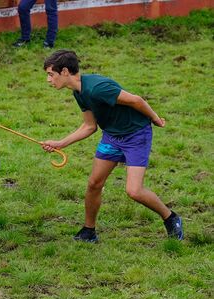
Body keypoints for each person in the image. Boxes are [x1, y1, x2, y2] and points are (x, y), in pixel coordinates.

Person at [41, 50, 183, 242]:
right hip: (112, 137)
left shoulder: (98, 88)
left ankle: (171, 218)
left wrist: (155, 119)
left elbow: (136, 100)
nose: (48, 80)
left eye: (51, 74)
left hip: (135, 135)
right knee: (94, 184)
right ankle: (89, 231)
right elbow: (90, 126)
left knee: (134, 191)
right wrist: (60, 144)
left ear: (65, 71)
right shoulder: (79, 92)